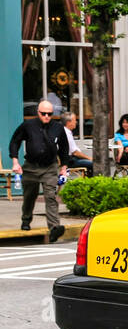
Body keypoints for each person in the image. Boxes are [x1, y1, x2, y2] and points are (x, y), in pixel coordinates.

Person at [9, 103, 69, 240]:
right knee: (29, 196)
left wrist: (64, 168)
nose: (47, 116)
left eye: (50, 114)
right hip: (31, 166)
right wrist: (15, 161)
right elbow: (15, 141)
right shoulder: (28, 125)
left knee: (50, 196)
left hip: (50, 167)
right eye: (44, 114)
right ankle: (26, 219)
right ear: (38, 112)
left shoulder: (58, 128)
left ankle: (54, 227)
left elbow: (64, 148)